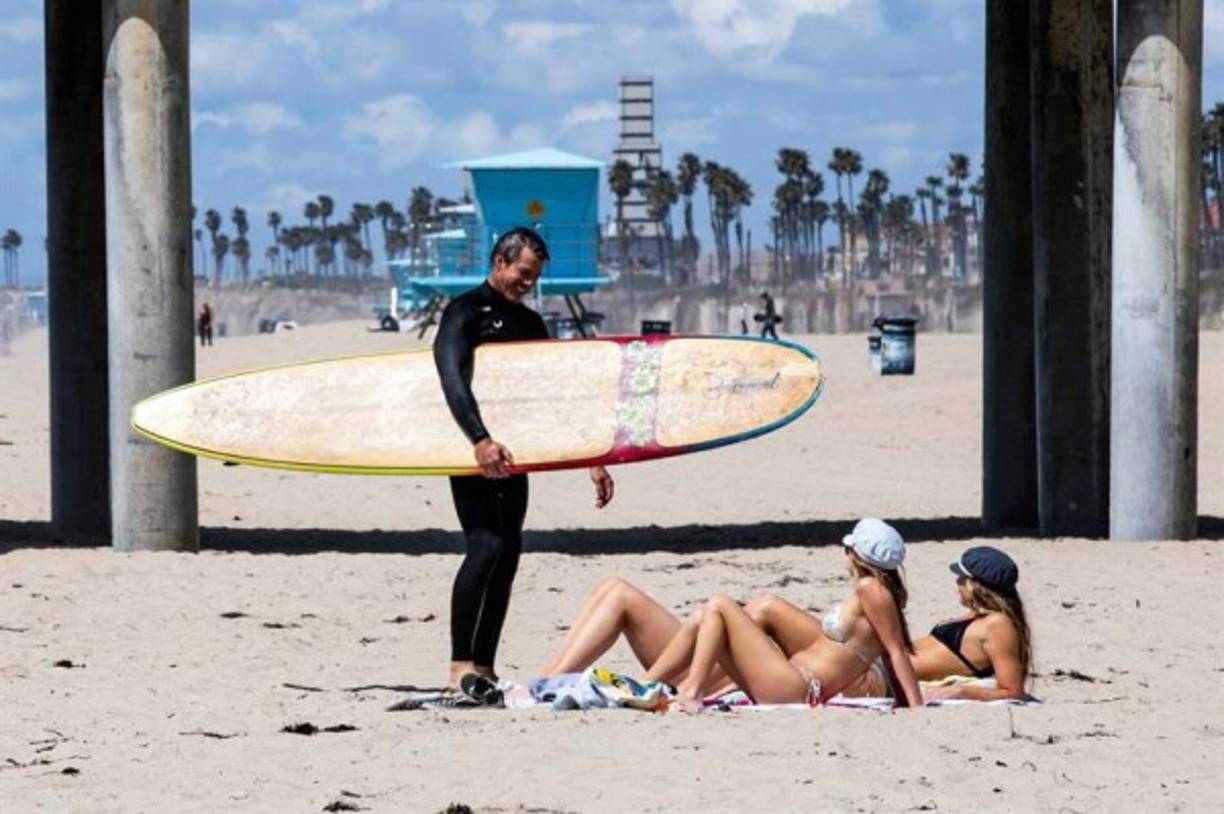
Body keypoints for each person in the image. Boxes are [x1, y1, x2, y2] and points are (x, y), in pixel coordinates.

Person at [434, 226, 615, 690]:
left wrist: (590, 455)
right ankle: (460, 667)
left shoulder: (532, 325)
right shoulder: (464, 312)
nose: (528, 283)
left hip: (516, 455)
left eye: (534, 276)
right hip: (474, 451)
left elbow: (552, 399)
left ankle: (486, 665)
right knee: (485, 546)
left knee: (509, 552)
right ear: (500, 262)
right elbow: (451, 378)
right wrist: (479, 438)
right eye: (523, 273)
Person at [543, 519, 924, 707]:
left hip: (798, 686)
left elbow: (894, 651)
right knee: (704, 612)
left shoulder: (870, 589)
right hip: (793, 681)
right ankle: (645, 686)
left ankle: (685, 689)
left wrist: (915, 706)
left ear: (857, 555)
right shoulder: (876, 592)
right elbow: (892, 649)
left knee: (720, 605)